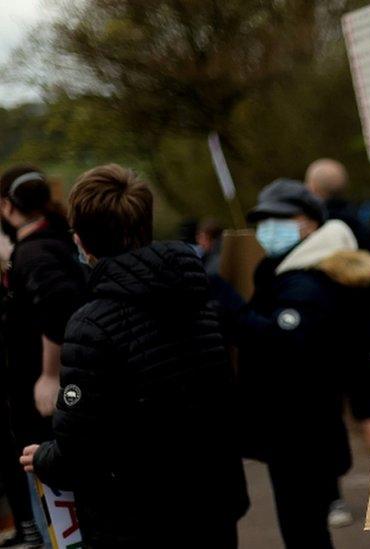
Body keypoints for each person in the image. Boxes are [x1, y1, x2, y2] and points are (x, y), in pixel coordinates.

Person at [18, 164, 249, 547]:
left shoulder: (90, 326)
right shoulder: (198, 294)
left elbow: (78, 450)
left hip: (138, 520)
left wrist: (43, 458)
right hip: (213, 504)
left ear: (83, 240)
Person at [216, 179, 370, 548]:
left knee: (304, 531)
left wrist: (227, 303)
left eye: (280, 217)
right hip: (299, 428)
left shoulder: (307, 280)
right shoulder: (286, 271)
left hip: (302, 430)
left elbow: (281, 341)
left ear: (309, 221)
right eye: (263, 219)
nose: (268, 227)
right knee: (306, 530)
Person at [0, 166, 86, 548]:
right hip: (50, 406)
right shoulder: (51, 242)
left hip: (45, 410)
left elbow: (58, 309)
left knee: (64, 528)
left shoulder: (35, 253)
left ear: (6, 206)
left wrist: (50, 374)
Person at [304, 159, 370, 528]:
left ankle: (333, 501)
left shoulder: (315, 234)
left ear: (313, 190)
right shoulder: (366, 228)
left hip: (323, 338)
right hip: (366, 333)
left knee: (326, 418)